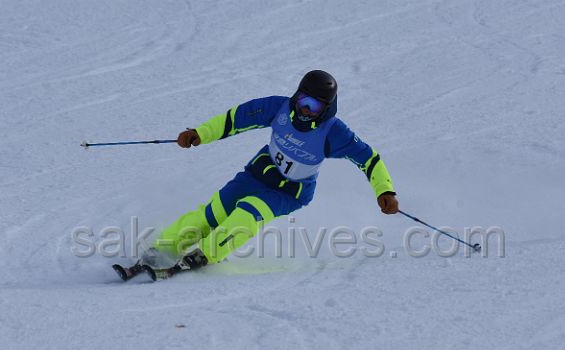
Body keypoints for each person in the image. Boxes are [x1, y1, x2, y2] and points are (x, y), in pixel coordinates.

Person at [144, 70, 399, 272]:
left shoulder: (334, 132)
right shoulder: (279, 108)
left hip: (288, 192)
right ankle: (163, 248)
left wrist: (385, 191)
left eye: (314, 106)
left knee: (247, 212)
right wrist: (200, 133)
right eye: (303, 101)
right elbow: (236, 118)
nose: (305, 110)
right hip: (257, 174)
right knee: (213, 213)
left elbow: (370, 159)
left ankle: (205, 254)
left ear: (327, 108)